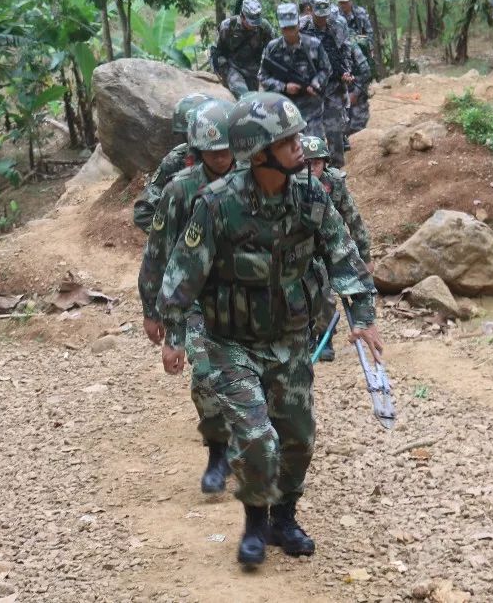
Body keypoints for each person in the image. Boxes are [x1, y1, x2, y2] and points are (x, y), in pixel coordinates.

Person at [156, 92, 383, 568]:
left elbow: (343, 253)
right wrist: (174, 335)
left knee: (298, 438)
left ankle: (284, 517)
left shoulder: (309, 193)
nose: (300, 146)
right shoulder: (217, 204)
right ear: (259, 152)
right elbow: (181, 274)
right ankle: (256, 521)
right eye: (288, 140)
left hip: (289, 340)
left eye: (297, 136)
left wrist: (362, 319)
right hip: (228, 343)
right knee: (259, 438)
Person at [138, 100, 236, 493]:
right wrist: (152, 309)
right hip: (196, 296)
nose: (222, 157)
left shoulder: (255, 180)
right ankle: (218, 449)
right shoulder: (181, 189)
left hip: (250, 294)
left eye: (227, 149)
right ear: (197, 152)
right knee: (207, 377)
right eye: (213, 152)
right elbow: (157, 253)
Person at [299, 134, 372, 362]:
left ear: (325, 164)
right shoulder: (290, 185)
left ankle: (325, 337)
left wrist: (365, 255)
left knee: (325, 293)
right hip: (298, 248)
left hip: (327, 245)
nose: (311, 169)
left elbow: (353, 219)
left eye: (316, 164)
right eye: (305, 164)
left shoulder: (334, 185)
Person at [133, 92, 213, 233]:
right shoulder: (177, 159)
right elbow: (143, 211)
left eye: (199, 132)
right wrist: (172, 236)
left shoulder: (235, 158)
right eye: (189, 134)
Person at [300, 0, 355, 168]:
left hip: (333, 86)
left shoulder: (338, 24)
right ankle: (316, 177)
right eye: (318, 15)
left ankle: (336, 174)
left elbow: (346, 50)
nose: (322, 19)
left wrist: (346, 72)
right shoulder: (301, 27)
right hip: (311, 89)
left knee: (335, 133)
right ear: (311, 9)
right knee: (313, 137)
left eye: (325, 14)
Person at [258, 2, 330, 140]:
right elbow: (262, 76)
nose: (290, 32)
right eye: (286, 28)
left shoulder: (313, 45)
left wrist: (316, 83)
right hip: (282, 112)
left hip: (311, 110)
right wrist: (284, 87)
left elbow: (326, 69)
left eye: (292, 27)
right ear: (280, 27)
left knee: (315, 152)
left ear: (298, 23)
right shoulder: (272, 48)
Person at [210, 0, 274, 98]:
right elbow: (215, 51)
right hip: (231, 66)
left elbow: (273, 47)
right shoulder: (228, 26)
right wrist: (217, 69)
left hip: (252, 70)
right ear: (242, 16)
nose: (254, 26)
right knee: (244, 95)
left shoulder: (264, 27)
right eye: (251, 22)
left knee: (253, 96)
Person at [335, 0, 377, 79]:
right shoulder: (335, 15)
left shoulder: (360, 12)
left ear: (351, 0)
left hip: (361, 47)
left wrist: (371, 47)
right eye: (341, 2)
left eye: (345, 2)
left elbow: (369, 32)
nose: (343, 5)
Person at [345, 38, 373, 141]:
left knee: (357, 129)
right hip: (340, 93)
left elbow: (366, 71)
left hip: (356, 91)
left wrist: (355, 94)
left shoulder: (351, 46)